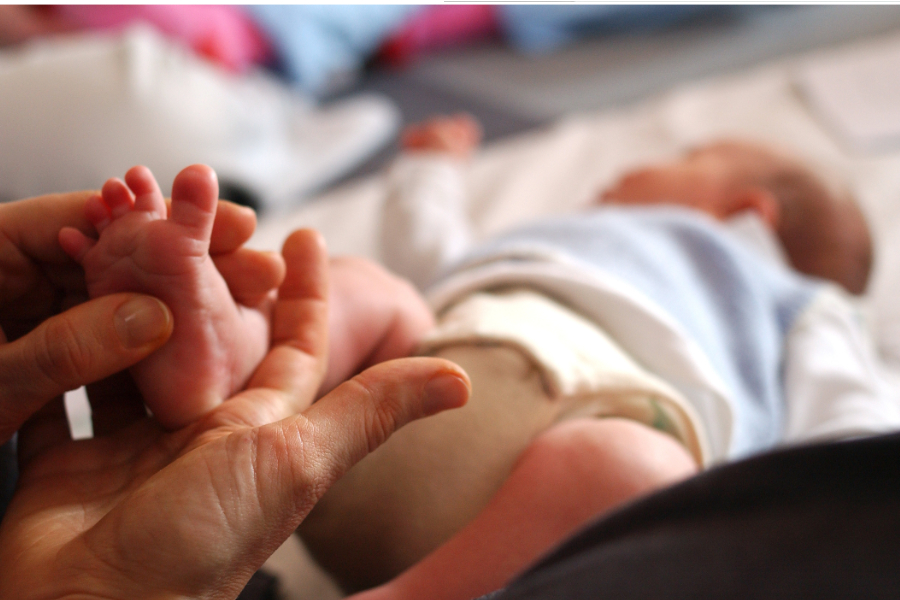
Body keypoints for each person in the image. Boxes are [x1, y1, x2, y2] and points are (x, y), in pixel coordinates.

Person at [293, 114, 900, 599]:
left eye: (684, 159)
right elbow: (433, 252)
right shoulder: (552, 245)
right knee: (360, 288)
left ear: (748, 213)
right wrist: (430, 170)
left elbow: (849, 440)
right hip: (382, 409)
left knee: (640, 472)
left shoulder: (797, 303)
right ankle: (231, 389)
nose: (630, 168)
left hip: (549, 502)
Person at [0, 186, 471, 598]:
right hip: (484, 289)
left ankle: (244, 340)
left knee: (368, 289)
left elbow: (422, 216)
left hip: (485, 292)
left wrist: (434, 160)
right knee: (373, 294)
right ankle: (242, 343)